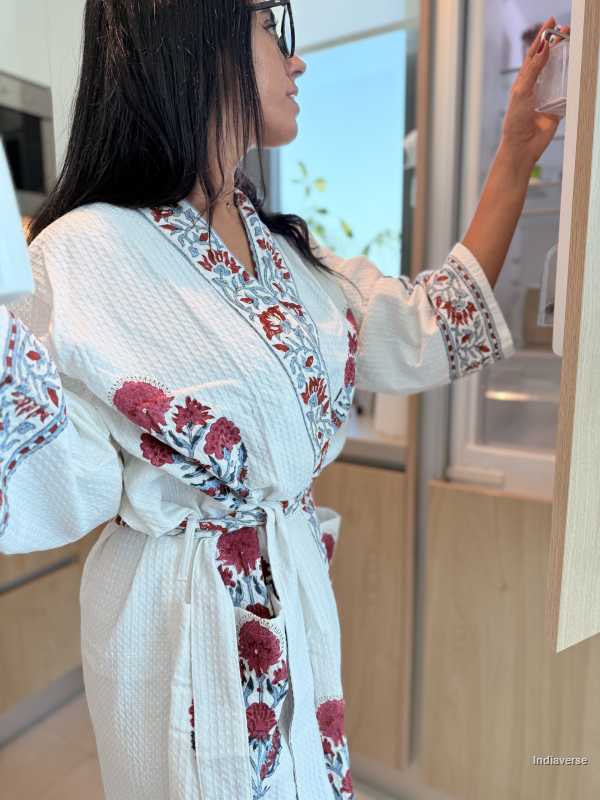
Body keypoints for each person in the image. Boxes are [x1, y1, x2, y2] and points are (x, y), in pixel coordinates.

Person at [0, 2, 566, 798]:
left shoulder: (287, 256)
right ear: (196, 35)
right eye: (273, 28)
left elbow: (428, 323)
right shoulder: (84, 252)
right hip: (178, 623)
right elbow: (53, 477)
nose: (296, 62)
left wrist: (514, 155)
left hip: (295, 600)